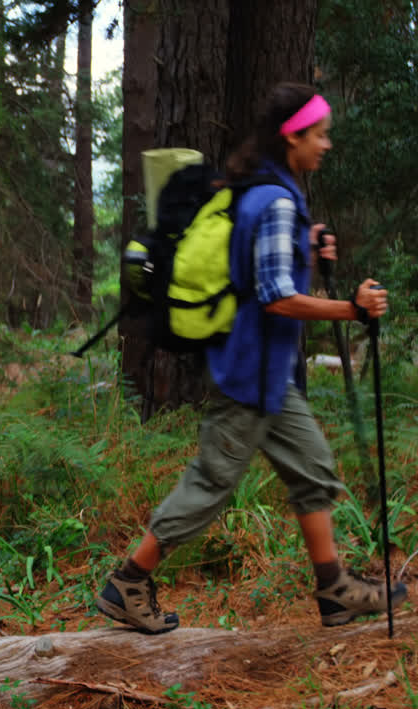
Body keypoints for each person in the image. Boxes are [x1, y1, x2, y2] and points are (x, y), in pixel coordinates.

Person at [95, 82, 406, 634]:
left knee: (313, 471)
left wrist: (304, 246)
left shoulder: (264, 192)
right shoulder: (276, 198)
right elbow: (275, 297)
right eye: (319, 135)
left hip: (268, 375)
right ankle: (129, 582)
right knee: (211, 483)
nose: (326, 145)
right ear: (292, 137)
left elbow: (255, 268)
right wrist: (352, 310)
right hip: (250, 374)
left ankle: (333, 589)